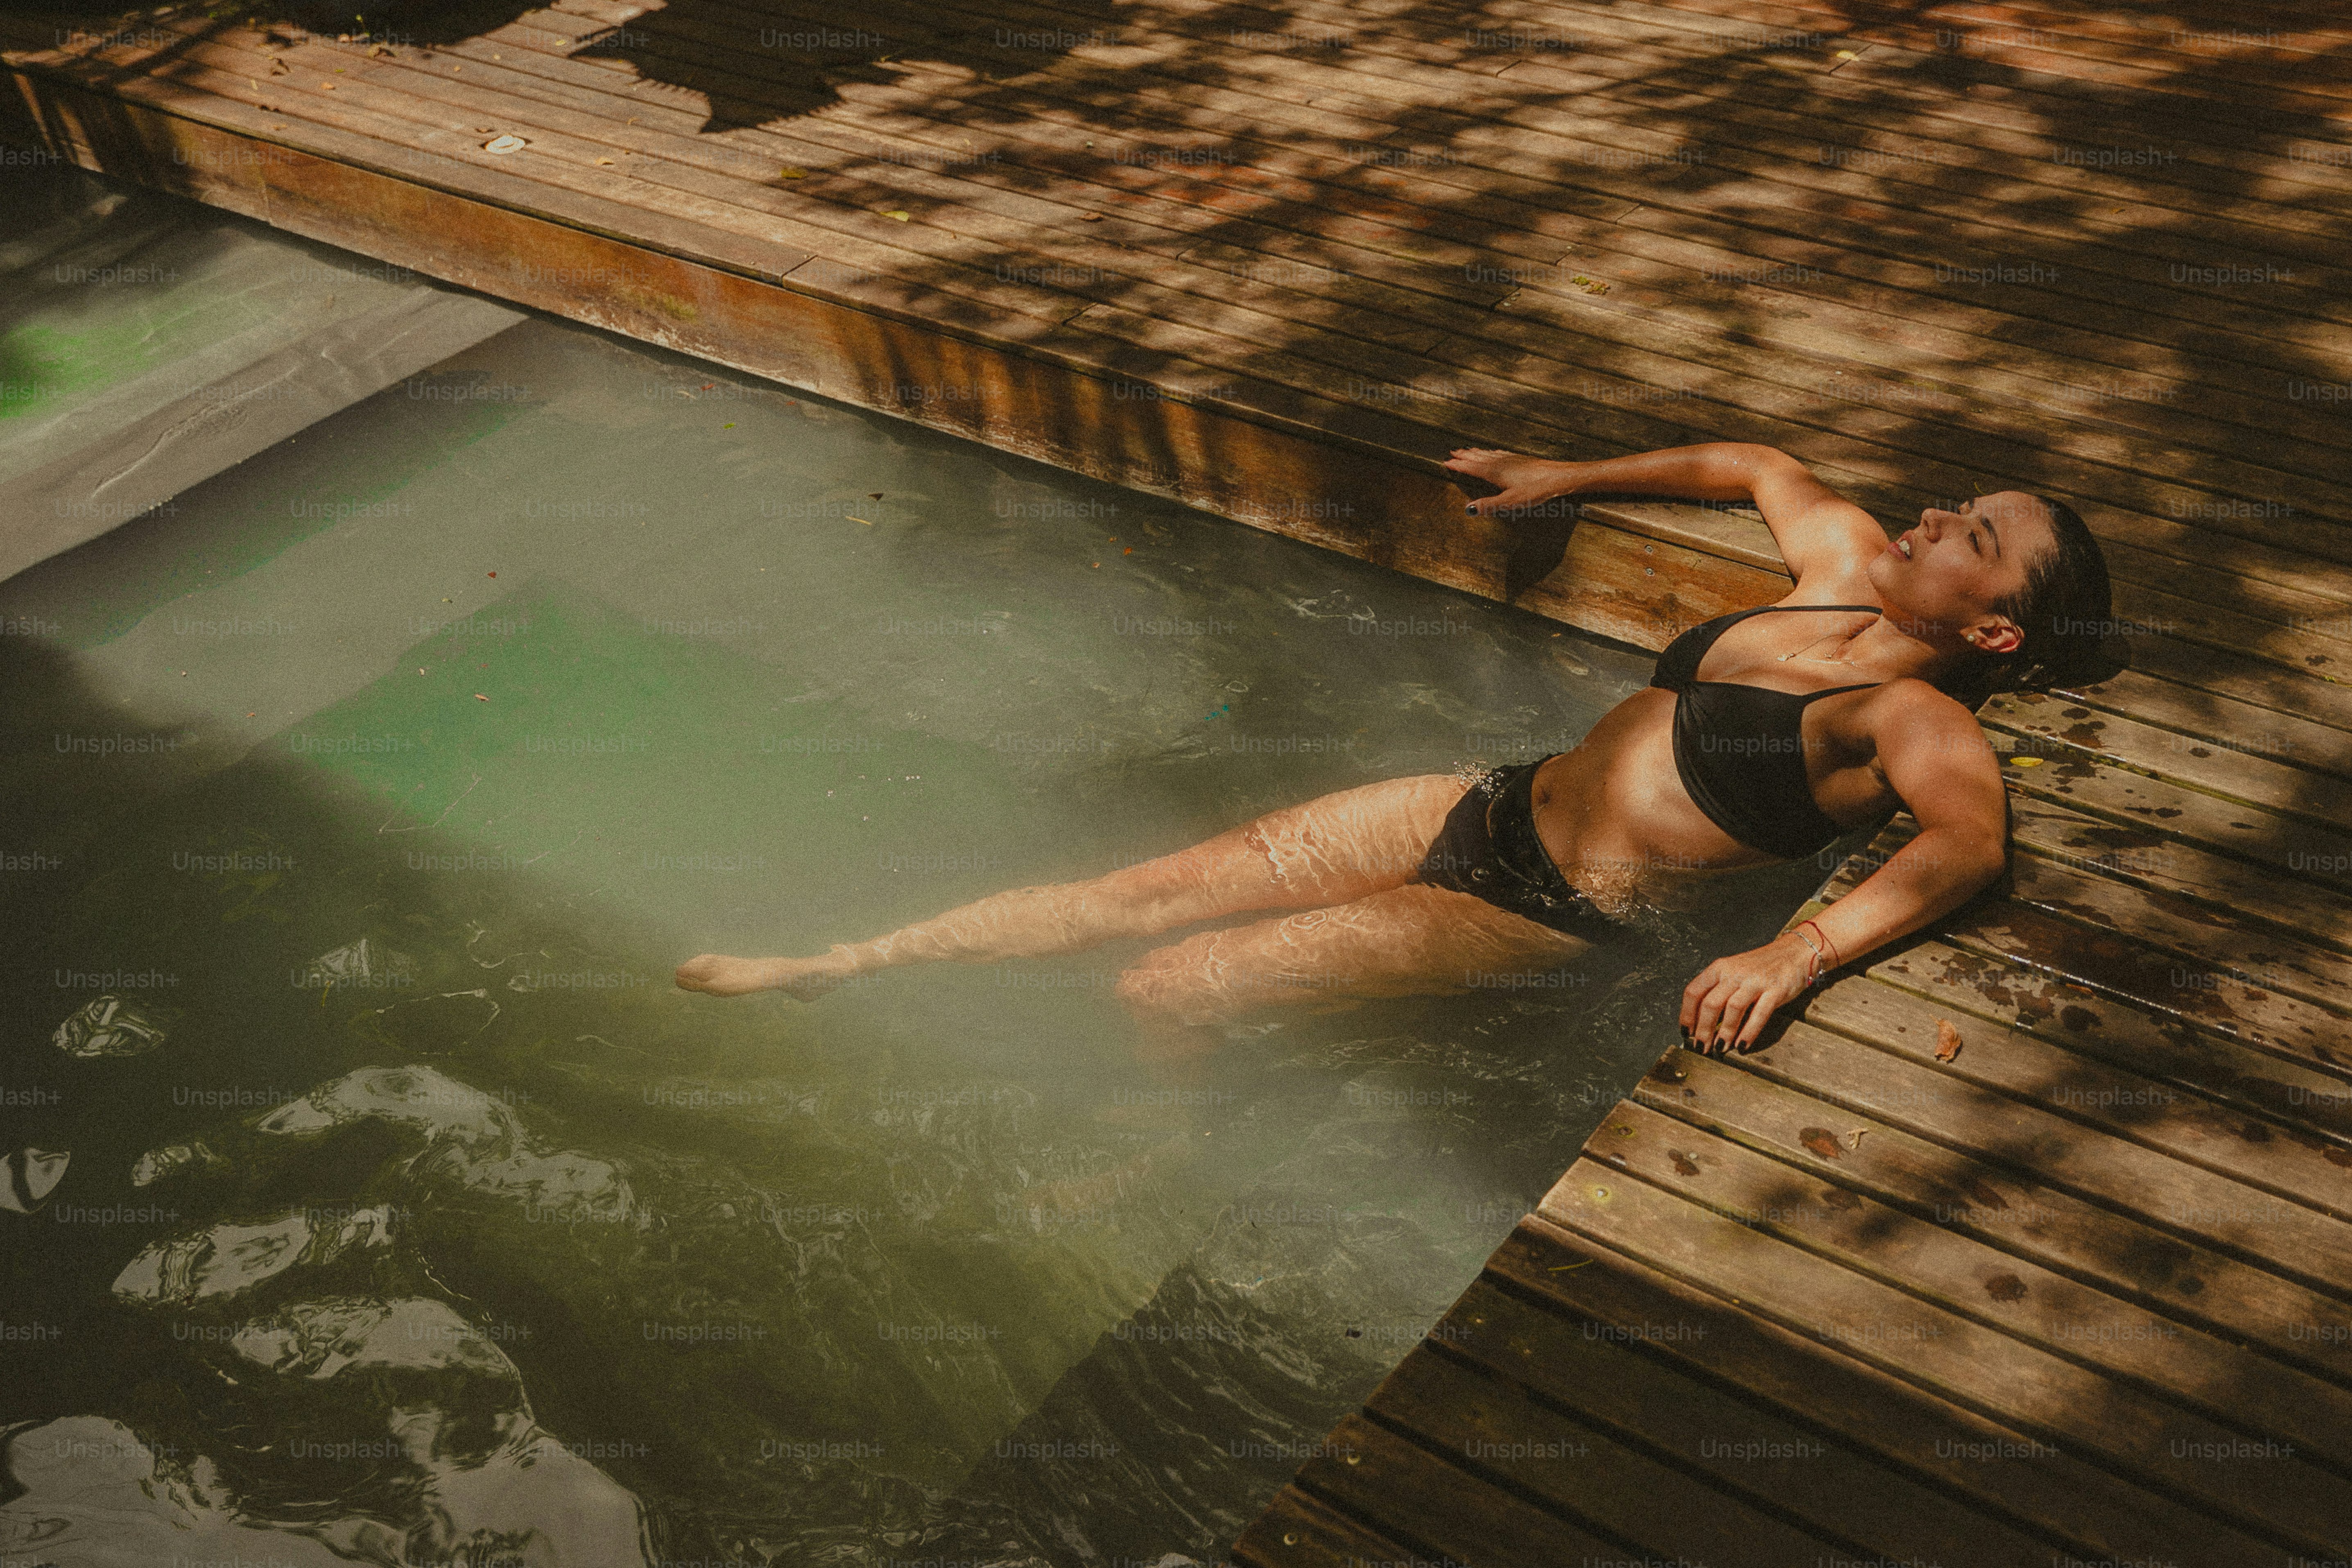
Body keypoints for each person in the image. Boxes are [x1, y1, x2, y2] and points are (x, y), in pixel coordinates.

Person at [677, 442, 2115, 1058]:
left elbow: (1967, 846)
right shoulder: (1845, 568)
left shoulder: (1920, 721)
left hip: (1555, 907)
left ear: (1992, 636)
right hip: (1484, 803)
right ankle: (844, 965)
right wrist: (1565, 476)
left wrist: (1792, 956)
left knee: (1165, 985)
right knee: (1151, 887)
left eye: (1972, 540)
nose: (1935, 519)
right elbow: (1755, 466)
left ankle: (1151, 1158)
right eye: (1958, 507)